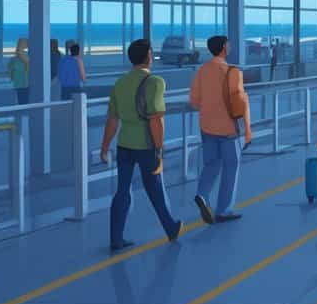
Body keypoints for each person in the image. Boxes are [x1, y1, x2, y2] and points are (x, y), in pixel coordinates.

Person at [100, 39, 182, 252]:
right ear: (148, 55)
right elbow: (156, 118)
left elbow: (112, 119)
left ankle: (115, 238)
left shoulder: (120, 83)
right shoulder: (155, 82)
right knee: (155, 189)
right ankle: (170, 227)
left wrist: (104, 147)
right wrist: (159, 148)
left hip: (124, 146)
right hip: (146, 146)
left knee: (122, 191)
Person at [188, 35, 252, 225]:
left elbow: (194, 101)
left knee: (211, 164)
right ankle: (223, 209)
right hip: (228, 129)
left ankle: (202, 194)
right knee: (231, 168)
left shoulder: (202, 70)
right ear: (224, 47)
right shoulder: (233, 72)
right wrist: (248, 129)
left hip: (206, 127)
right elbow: (241, 104)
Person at [8, 37, 29, 105]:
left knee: (23, 101)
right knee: (22, 101)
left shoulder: (26, 56)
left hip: (24, 83)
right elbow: (10, 71)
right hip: (20, 83)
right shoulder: (15, 59)